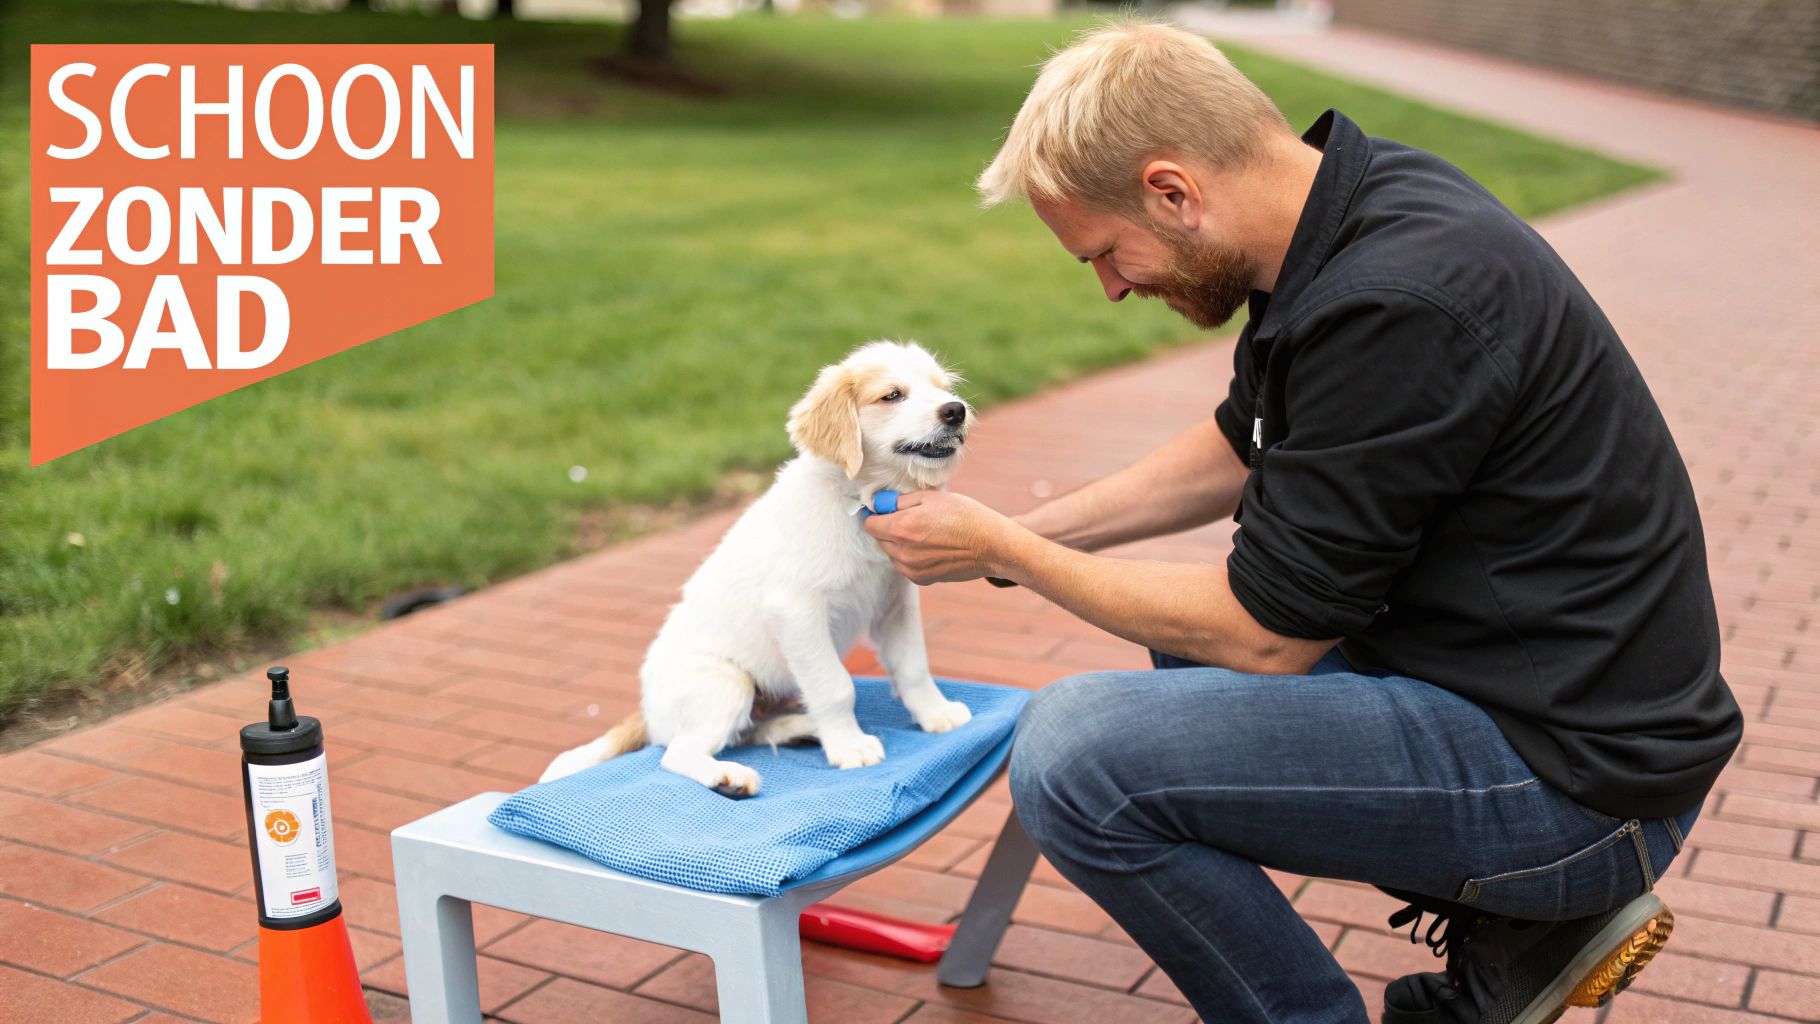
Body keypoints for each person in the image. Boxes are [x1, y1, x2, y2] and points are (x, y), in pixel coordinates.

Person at [858, 19, 1743, 1024]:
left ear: (1172, 191)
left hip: (1577, 785)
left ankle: (1478, 933)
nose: (1108, 285)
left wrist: (1001, 546)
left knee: (1074, 754)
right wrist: (1033, 537)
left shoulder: (1394, 298)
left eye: (1104, 252)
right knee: (1174, 649)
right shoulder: (1342, 211)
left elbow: (1266, 633)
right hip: (1538, 701)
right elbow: (1243, 442)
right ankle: (1519, 935)